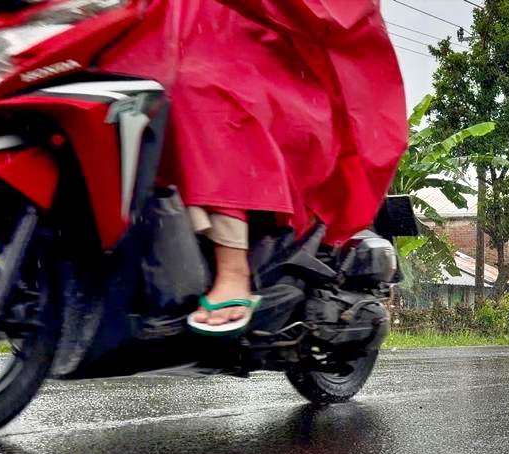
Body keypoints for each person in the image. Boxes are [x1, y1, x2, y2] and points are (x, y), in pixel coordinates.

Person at [100, 0, 408, 336]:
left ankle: (232, 269)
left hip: (295, 76)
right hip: (189, 49)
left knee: (203, 91)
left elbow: (330, 11)